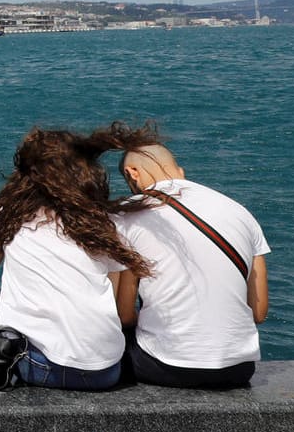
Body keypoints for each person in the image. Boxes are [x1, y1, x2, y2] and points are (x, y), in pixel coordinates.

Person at [0, 128, 151, 390]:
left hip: (43, 368)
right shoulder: (102, 224)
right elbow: (110, 301)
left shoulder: (8, 219)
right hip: (106, 369)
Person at [111, 137, 269, 388]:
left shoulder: (126, 215)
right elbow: (259, 312)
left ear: (133, 173)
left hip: (165, 366)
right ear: (180, 172)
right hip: (239, 369)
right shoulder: (240, 212)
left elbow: (124, 314)